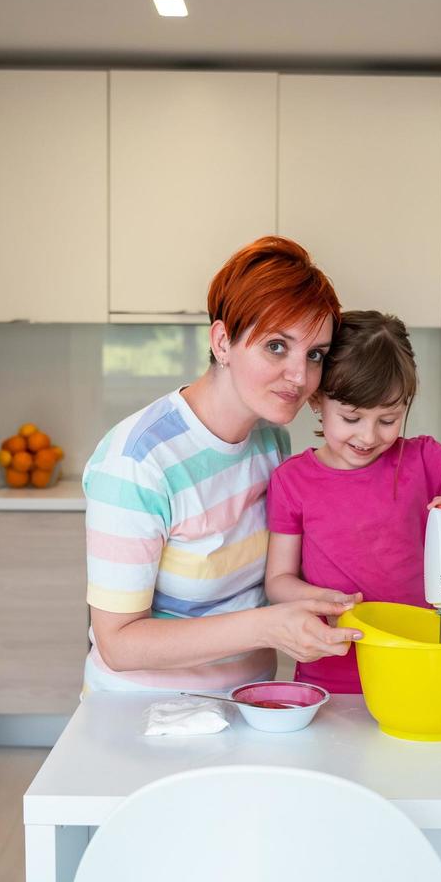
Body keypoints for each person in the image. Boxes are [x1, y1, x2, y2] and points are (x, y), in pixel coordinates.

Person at [81, 237, 363, 693]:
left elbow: (270, 579)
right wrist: (267, 627)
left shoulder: (270, 439)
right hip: (143, 714)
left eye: (314, 354)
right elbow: (119, 644)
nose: (300, 376)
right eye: (277, 346)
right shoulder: (138, 460)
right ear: (223, 340)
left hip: (249, 701)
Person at [264, 310, 441, 694]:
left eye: (388, 420)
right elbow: (278, 581)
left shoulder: (423, 460)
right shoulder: (292, 481)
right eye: (351, 418)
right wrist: (317, 598)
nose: (368, 436)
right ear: (317, 401)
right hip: (329, 676)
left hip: (420, 668)